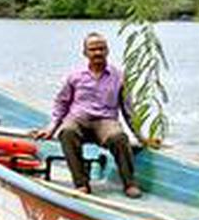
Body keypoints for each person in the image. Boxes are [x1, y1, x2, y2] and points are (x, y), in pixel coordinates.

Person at [30, 32, 157, 198]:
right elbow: (61, 103)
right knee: (67, 132)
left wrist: (141, 136)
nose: (97, 53)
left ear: (107, 51)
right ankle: (81, 183)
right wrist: (51, 128)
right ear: (85, 53)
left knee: (118, 137)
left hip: (105, 121)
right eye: (93, 49)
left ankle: (129, 183)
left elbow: (128, 109)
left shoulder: (119, 76)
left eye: (101, 49)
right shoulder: (75, 76)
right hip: (78, 119)